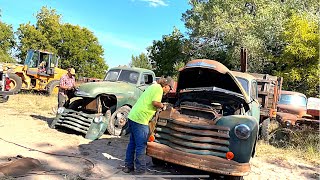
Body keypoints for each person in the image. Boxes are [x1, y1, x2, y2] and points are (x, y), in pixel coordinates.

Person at [122, 77, 173, 175]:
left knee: (132, 143)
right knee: (141, 146)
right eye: (170, 89)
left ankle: (128, 167)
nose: (169, 91)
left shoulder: (153, 86)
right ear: (166, 86)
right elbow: (155, 103)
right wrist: (163, 106)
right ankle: (140, 170)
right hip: (141, 119)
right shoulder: (158, 89)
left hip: (133, 116)